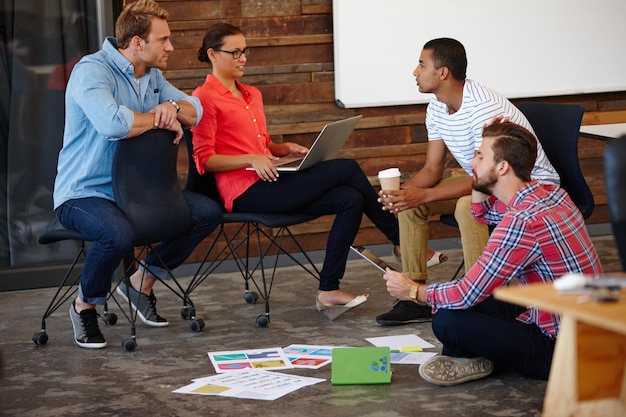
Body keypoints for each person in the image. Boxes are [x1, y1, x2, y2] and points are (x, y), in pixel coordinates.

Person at [190, 23, 399, 311]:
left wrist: (281, 149)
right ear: (212, 54)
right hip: (244, 191)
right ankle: (400, 240)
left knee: (351, 199)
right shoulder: (203, 97)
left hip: (271, 180)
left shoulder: (252, 94)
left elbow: (260, 144)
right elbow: (204, 160)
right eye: (235, 52)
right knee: (347, 168)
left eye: (245, 51)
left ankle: (328, 289)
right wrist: (252, 159)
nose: (243, 58)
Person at [53, 0, 223, 349]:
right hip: (83, 193)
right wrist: (160, 119)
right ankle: (85, 304)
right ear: (137, 43)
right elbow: (112, 123)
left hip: (135, 192)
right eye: (164, 40)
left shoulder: (153, 77)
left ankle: (140, 280)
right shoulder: (92, 71)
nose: (171, 47)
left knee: (207, 212)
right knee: (116, 233)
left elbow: (197, 110)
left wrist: (173, 108)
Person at [383, 121, 603, 386]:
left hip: (562, 351)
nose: (471, 164)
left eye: (479, 156)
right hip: (574, 322)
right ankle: (471, 357)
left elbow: (465, 293)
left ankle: (472, 357)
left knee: (447, 319)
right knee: (480, 297)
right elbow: (482, 213)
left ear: (502, 167)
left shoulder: (522, 221)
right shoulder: (552, 194)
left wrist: (412, 291)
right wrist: (480, 169)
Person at [376, 38, 559, 326]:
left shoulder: (481, 108)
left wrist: (423, 196)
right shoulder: (437, 108)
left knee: (465, 207)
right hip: (488, 181)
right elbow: (433, 169)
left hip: (528, 188)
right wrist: (404, 194)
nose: (415, 71)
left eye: (422, 64)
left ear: (443, 72)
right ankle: (413, 297)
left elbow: (486, 178)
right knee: (411, 204)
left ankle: (480, 300)